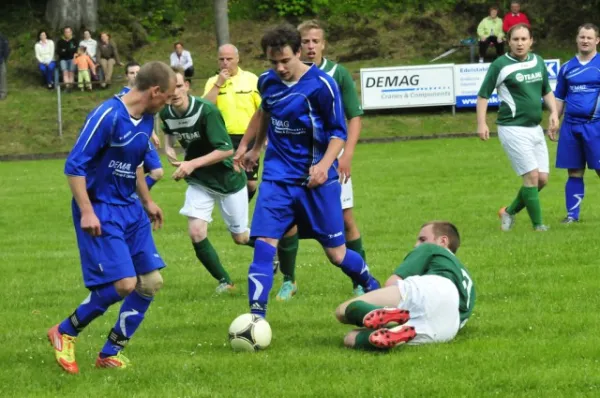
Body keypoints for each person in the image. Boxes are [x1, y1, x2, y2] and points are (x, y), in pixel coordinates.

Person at [238, 23, 380, 318]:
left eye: (285, 61)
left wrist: (324, 166)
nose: (279, 68)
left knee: (337, 255)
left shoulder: (322, 85)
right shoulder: (267, 81)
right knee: (264, 245)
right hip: (277, 179)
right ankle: (255, 318)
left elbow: (338, 132)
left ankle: (371, 284)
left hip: (316, 182)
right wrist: (255, 147)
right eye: (273, 62)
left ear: (299, 53)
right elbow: (266, 110)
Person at [47, 61, 176, 374]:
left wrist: (147, 200)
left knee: (150, 282)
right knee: (124, 284)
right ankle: (64, 331)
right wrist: (88, 211)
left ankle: (109, 352)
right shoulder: (107, 115)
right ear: (155, 91)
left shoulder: (147, 119)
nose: (168, 103)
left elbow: (135, 166)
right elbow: (74, 166)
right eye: (168, 97)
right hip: (101, 208)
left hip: (130, 206)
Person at [263, 20, 368, 301]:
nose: (310, 46)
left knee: (346, 219)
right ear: (298, 46)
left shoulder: (336, 75)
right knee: (287, 223)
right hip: (290, 168)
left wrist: (347, 156)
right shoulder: (279, 76)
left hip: (332, 161)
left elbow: (352, 117)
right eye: (306, 41)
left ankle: (361, 281)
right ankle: (289, 279)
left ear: (323, 44)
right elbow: (265, 111)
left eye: (315, 41)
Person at [161, 66, 250, 293]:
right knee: (196, 232)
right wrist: (168, 147)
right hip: (199, 180)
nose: (175, 92)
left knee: (240, 238)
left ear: (187, 86)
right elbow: (169, 131)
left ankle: (272, 249)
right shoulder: (166, 113)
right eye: (170, 87)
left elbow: (226, 150)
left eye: (179, 86)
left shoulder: (207, 110)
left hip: (227, 179)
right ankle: (225, 281)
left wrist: (190, 163)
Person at [334, 221, 475, 350]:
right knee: (350, 338)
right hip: (448, 327)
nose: (416, 245)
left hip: (435, 287)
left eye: (422, 239)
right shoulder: (468, 282)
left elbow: (392, 283)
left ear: (443, 241)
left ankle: (375, 312)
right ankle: (390, 332)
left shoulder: (431, 249)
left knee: (341, 311)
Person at [477, 23, 559, 232]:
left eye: (524, 39)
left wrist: (554, 114)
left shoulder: (538, 61)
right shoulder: (500, 65)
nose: (520, 43)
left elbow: (546, 91)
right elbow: (483, 95)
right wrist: (481, 122)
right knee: (531, 176)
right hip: (512, 128)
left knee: (542, 179)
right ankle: (538, 226)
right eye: (515, 39)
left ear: (531, 41)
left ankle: (509, 212)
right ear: (508, 41)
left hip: (534, 127)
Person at [203, 44, 261, 202]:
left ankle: (240, 211)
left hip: (248, 138)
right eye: (221, 59)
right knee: (233, 181)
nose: (225, 62)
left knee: (250, 183)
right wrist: (219, 83)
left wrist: (265, 136)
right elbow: (205, 108)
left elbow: (263, 109)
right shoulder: (212, 82)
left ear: (237, 59)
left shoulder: (251, 79)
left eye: (229, 59)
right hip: (224, 139)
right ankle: (238, 219)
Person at [554, 23, 600, 223]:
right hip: (571, 127)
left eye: (589, 37)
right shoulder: (566, 68)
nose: (585, 41)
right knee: (574, 170)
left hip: (596, 126)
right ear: (577, 39)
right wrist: (554, 119)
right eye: (582, 37)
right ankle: (572, 215)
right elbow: (560, 96)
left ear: (597, 40)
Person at [119, 61, 164, 191]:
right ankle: (134, 196)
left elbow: (145, 116)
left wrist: (153, 134)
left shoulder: (145, 93)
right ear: (126, 76)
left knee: (156, 172)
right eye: (131, 73)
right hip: (132, 139)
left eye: (138, 73)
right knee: (156, 172)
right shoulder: (123, 97)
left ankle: (133, 195)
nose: (135, 75)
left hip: (143, 137)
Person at [56, 26, 77, 91]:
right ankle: (67, 87)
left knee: (71, 72)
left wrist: (64, 50)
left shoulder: (75, 41)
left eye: (68, 32)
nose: (67, 33)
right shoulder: (60, 41)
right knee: (65, 72)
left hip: (72, 59)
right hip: (63, 59)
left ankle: (70, 86)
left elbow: (76, 51)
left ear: (71, 32)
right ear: (64, 33)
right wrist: (69, 51)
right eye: (66, 32)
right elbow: (59, 52)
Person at [0, 32, 7, 100]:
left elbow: (6, 49)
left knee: (2, 76)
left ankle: (3, 93)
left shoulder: (2, 37)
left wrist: (4, 58)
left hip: (1, 60)